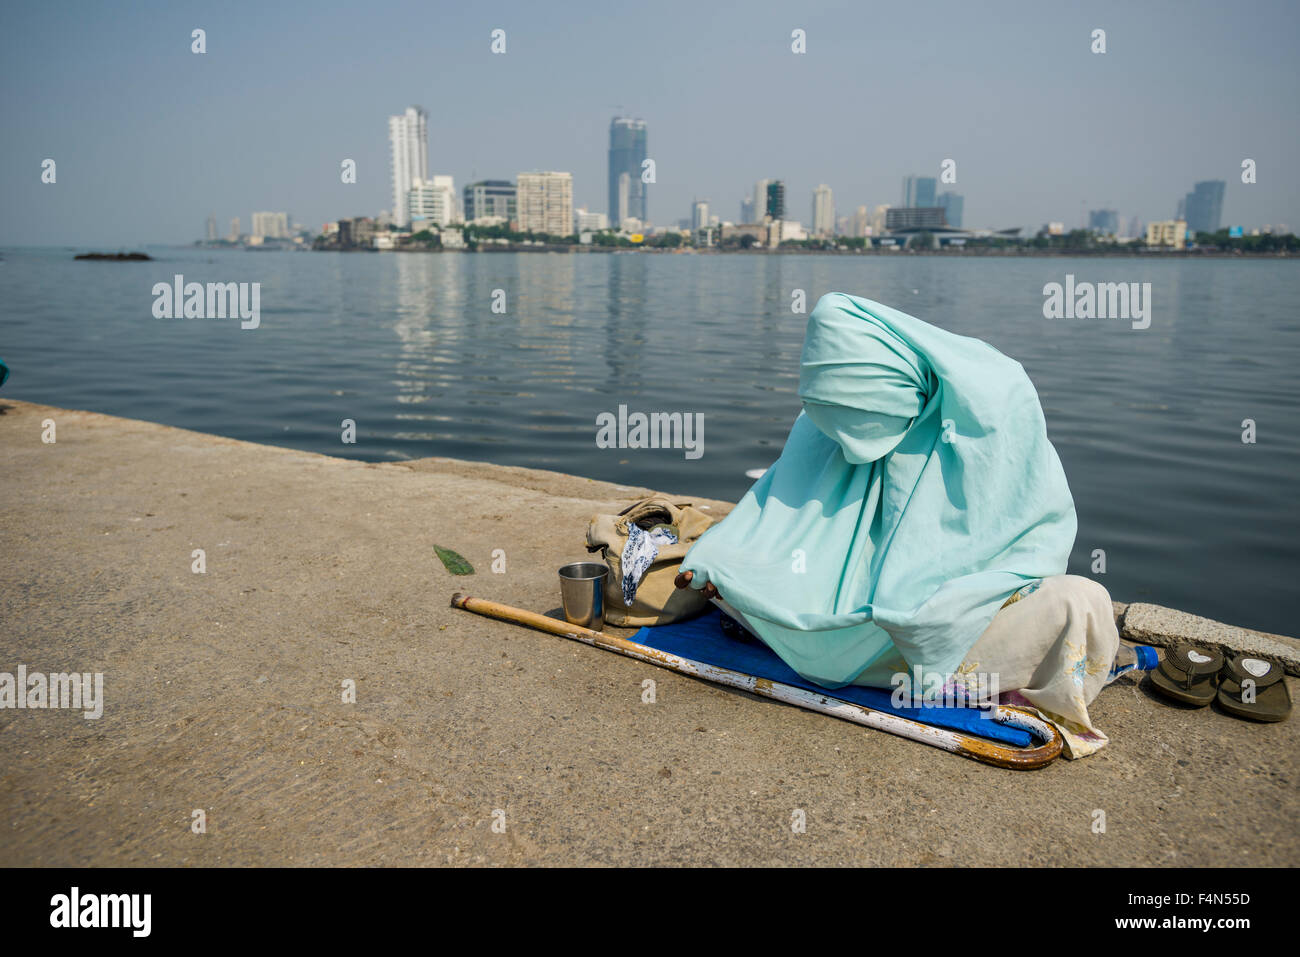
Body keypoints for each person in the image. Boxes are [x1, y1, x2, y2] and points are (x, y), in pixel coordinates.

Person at [675, 292, 1119, 757]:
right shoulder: (823, 415)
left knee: (1081, 604)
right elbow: (775, 511)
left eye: (859, 422)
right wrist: (715, 562)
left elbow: (1026, 541)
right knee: (732, 582)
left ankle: (882, 647)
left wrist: (942, 606)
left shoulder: (993, 414)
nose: (847, 447)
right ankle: (914, 660)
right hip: (860, 612)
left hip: (956, 605)